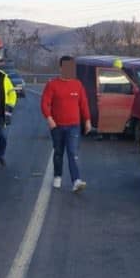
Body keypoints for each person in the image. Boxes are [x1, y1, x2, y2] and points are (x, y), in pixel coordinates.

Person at [41, 56, 91, 192]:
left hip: (74, 126)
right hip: (57, 126)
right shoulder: (52, 85)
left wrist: (87, 120)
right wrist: (49, 118)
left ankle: (76, 180)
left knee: (72, 152)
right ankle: (57, 175)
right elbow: (45, 103)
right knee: (58, 152)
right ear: (61, 68)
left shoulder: (78, 85)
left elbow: (84, 104)